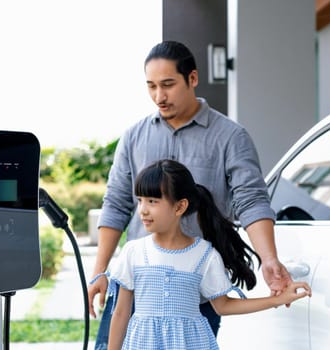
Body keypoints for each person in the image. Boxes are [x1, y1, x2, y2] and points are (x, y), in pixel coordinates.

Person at [88, 40, 293, 349]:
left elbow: (251, 201)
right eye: (151, 86)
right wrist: (100, 272)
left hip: (195, 291)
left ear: (192, 79)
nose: (159, 96)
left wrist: (269, 259)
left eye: (168, 84)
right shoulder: (134, 136)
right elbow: (116, 203)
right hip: (136, 289)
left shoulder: (230, 137)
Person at [106, 159, 311, 350]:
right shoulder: (133, 252)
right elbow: (121, 313)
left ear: (180, 206)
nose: (142, 210)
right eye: (140, 200)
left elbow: (223, 306)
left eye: (152, 201)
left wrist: (276, 299)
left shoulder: (204, 255)